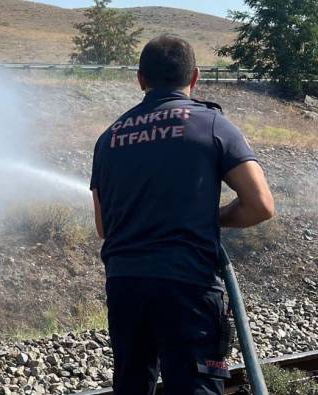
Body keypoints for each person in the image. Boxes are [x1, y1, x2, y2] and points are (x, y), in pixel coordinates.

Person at [90, 34, 275, 395]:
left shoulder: (109, 137)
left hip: (125, 285)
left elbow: (103, 227)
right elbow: (261, 205)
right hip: (188, 286)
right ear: (195, 77)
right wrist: (211, 217)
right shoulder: (212, 125)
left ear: (141, 79)